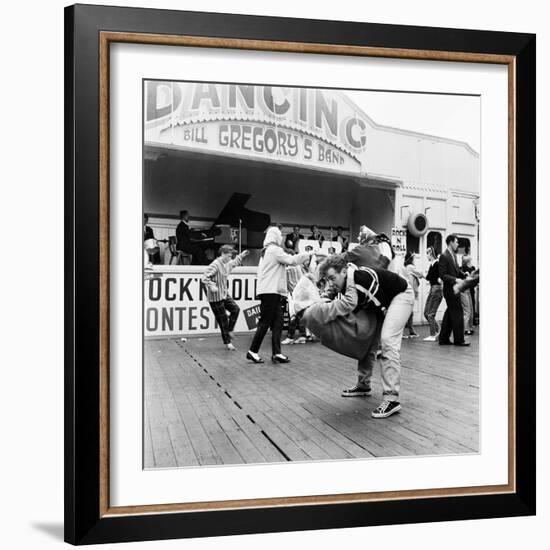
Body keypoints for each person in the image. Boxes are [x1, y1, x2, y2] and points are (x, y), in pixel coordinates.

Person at [319, 254, 414, 418]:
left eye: (332, 278)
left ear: (343, 272)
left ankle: (392, 399)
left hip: (400, 295)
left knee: (388, 340)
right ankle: (363, 385)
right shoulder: (346, 283)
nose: (331, 282)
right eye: (328, 279)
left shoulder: (360, 280)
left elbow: (380, 304)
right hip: (379, 303)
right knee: (366, 338)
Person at [246, 226, 313, 364]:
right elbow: (291, 261)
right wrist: (309, 254)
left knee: (278, 322)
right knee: (265, 323)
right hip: (271, 292)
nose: (281, 238)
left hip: (270, 292)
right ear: (275, 236)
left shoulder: (265, 252)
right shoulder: (274, 250)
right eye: (279, 235)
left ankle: (277, 353)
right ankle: (252, 351)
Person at [202, 245, 249, 351]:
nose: (230, 257)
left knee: (235, 309)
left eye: (231, 255)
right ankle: (228, 343)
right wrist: (211, 285)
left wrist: (241, 256)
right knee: (222, 320)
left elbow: (234, 263)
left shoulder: (227, 263)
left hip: (223, 293)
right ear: (222, 254)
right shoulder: (215, 265)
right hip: (215, 297)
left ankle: (230, 330)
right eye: (229, 255)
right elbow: (204, 277)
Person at [438, 234, 469, 346]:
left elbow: (455, 271)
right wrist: (456, 280)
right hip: (450, 290)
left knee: (449, 314)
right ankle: (459, 340)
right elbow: (442, 275)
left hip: (453, 289)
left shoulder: (453, 256)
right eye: (456, 242)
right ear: (451, 242)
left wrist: (463, 274)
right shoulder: (444, 256)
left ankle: (443, 339)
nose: (457, 244)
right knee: (458, 313)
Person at [423, 246, 443, 341]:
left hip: (436, 289)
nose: (427, 255)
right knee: (426, 313)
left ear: (431, 254)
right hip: (433, 289)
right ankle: (439, 332)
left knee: (430, 314)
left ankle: (433, 335)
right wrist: (421, 275)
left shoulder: (438, 264)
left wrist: (440, 280)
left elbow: (439, 277)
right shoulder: (432, 265)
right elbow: (428, 277)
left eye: (428, 253)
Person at [402, 250, 422, 338]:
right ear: (411, 258)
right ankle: (405, 331)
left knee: (409, 312)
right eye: (414, 257)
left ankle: (411, 330)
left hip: (406, 291)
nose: (415, 259)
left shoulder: (405, 267)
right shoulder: (411, 267)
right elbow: (420, 274)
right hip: (410, 292)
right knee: (407, 312)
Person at [460, 255, 476, 335]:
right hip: (464, 291)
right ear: (467, 262)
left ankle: (470, 327)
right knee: (467, 311)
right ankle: (465, 329)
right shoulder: (462, 269)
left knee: (471, 310)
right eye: (470, 260)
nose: (471, 262)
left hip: (469, 290)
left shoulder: (472, 268)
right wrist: (468, 276)